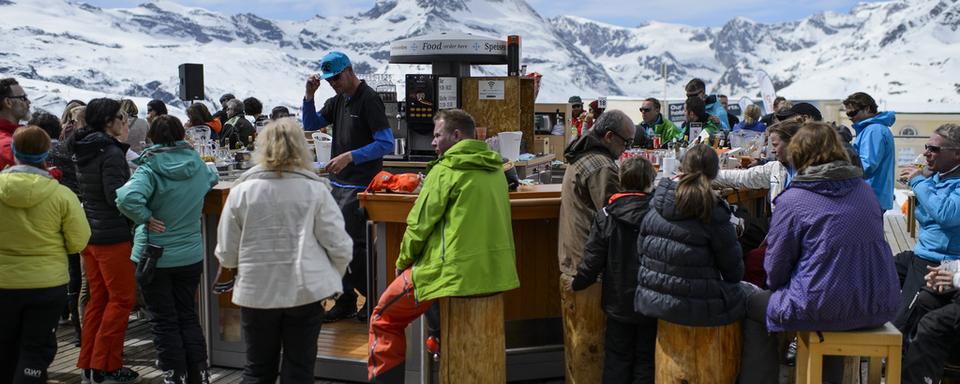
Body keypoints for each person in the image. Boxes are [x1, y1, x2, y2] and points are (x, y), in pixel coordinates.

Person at [738, 122, 899, 383]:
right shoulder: (865, 191)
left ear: (798, 154)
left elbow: (775, 270)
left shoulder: (794, 200)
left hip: (824, 307)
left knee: (753, 304)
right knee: (830, 299)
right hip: (878, 301)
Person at [368, 109, 520, 382]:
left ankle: (432, 343)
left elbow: (419, 225)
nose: (433, 142)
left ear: (456, 135)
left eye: (438, 135)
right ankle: (436, 339)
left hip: (451, 272)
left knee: (382, 318)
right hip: (496, 273)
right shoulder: (496, 168)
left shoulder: (445, 170)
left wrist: (402, 262)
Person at [214, 118, 353, 384]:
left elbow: (227, 250)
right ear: (303, 149)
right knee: (299, 369)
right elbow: (340, 245)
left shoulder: (241, 191)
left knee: (257, 369)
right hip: (305, 290)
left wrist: (233, 267)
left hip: (256, 292)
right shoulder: (315, 190)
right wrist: (330, 277)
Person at [115, 115, 218, 384]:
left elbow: (126, 197)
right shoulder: (197, 164)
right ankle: (200, 373)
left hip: (154, 255)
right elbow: (213, 175)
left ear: (152, 138)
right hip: (190, 254)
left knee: (163, 320)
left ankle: (175, 375)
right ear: (182, 136)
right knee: (187, 315)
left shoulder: (149, 169)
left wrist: (145, 216)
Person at [301, 51, 394, 322]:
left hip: (361, 185)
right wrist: (309, 96)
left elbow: (386, 143)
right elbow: (310, 124)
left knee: (353, 247)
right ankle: (346, 298)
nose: (334, 84)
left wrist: (351, 155)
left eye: (337, 78)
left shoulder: (369, 100)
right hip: (337, 184)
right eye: (329, 80)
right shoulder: (338, 100)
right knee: (331, 243)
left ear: (350, 71)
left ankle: (370, 296)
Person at [0, 126, 90, 384]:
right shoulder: (62, 195)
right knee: (35, 351)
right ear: (46, 154)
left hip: (3, 283)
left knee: (4, 349)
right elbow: (79, 242)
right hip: (46, 284)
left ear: (14, 153)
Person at [558, 110, 636, 383]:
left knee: (577, 348)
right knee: (590, 348)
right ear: (610, 136)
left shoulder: (581, 156)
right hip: (590, 271)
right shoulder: (601, 167)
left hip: (574, 263)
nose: (626, 149)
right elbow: (614, 216)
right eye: (626, 142)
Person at [568, 156, 658, 384]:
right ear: (651, 181)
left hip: (618, 301)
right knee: (646, 360)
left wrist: (579, 281)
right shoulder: (659, 215)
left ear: (620, 180)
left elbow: (593, 257)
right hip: (650, 300)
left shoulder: (607, 215)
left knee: (617, 358)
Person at [634, 143, 745, 325]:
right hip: (698, 305)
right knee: (749, 298)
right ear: (715, 172)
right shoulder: (714, 211)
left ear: (682, 167)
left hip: (652, 297)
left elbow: (641, 250)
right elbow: (734, 272)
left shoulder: (658, 200)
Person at [70, 98, 140, 384]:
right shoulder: (110, 152)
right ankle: (105, 367)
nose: (126, 123)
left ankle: (90, 365)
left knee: (99, 299)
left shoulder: (84, 147)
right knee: (122, 299)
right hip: (111, 236)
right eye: (122, 118)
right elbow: (117, 198)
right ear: (108, 122)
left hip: (91, 234)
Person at [894, 124, 960, 335]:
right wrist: (925, 180)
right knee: (871, 271)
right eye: (926, 147)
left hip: (938, 261)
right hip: (922, 252)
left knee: (902, 323)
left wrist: (919, 182)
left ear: (957, 154)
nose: (926, 153)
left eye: (934, 149)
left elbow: (946, 215)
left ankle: (895, 356)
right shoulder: (938, 178)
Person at [844, 91, 895, 210]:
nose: (850, 117)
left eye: (853, 112)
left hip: (869, 197)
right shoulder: (873, 129)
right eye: (848, 114)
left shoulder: (873, 130)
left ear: (867, 109)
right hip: (872, 197)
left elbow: (866, 166)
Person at [1, 78, 30, 170]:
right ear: (8, 102)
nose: (29, 102)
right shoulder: (9, 145)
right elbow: (35, 174)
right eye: (23, 98)